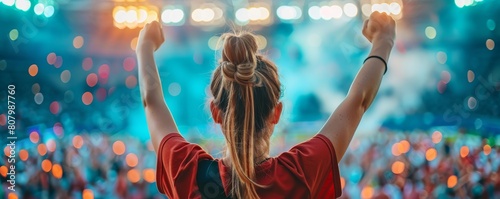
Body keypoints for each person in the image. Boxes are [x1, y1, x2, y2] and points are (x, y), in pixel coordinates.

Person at [135, 11, 395, 199]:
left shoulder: (187, 171)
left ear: (216, 113)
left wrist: (144, 46)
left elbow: (151, 101)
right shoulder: (300, 173)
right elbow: (358, 100)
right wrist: (384, 40)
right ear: (277, 113)